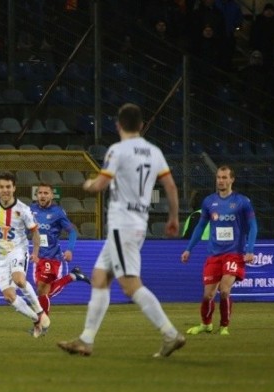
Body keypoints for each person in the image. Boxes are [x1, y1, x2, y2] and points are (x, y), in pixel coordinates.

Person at [58, 103, 185, 358]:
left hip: (122, 225)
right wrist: (173, 217)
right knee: (99, 277)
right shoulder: (154, 152)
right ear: (142, 125)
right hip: (137, 222)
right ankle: (86, 340)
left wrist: (88, 184)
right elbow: (170, 187)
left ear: (117, 125)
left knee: (129, 285)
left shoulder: (117, 150)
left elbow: (101, 184)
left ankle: (170, 333)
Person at [181, 165, 258, 336]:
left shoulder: (242, 201)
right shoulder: (209, 202)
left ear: (232, 179)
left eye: (224, 178)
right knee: (208, 295)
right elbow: (201, 226)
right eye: (218, 178)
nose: (221, 181)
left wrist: (250, 249)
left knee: (224, 290)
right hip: (214, 254)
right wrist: (189, 249)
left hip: (234, 253)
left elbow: (253, 226)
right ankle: (206, 324)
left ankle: (224, 326)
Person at [0, 171, 50, 338]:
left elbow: (35, 232)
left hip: (17, 249)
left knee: (19, 280)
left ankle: (40, 310)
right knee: (9, 296)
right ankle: (37, 319)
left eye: (8, 187)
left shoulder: (23, 209)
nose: (5, 190)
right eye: (1, 187)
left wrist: (35, 253)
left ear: (14, 188)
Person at [29, 182, 90, 314]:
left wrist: (69, 249)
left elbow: (72, 232)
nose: (42, 196)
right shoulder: (31, 209)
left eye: (46, 193)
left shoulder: (57, 212)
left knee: (42, 290)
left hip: (52, 257)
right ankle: (73, 276)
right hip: (38, 256)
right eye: (40, 193)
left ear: (52, 195)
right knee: (44, 292)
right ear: (36, 195)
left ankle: (42, 323)